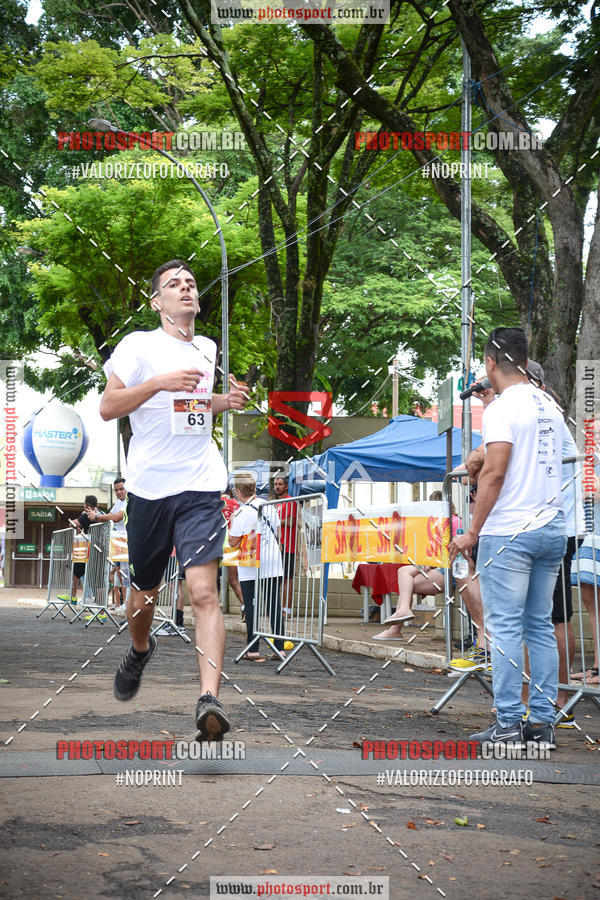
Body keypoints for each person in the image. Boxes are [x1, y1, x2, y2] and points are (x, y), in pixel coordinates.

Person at [100, 258, 248, 742]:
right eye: (173, 284)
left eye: (190, 283)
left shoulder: (207, 348)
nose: (185, 289)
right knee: (144, 595)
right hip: (149, 487)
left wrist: (224, 401)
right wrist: (158, 382)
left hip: (201, 484)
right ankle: (140, 650)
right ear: (156, 301)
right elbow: (108, 407)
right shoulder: (137, 346)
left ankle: (209, 700)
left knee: (204, 592)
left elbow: (193, 409)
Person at [449, 327, 566, 749]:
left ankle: (508, 725)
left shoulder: (501, 408)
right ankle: (542, 725)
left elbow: (494, 473)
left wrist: (471, 531)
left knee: (503, 628)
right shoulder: (548, 403)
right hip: (551, 524)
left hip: (511, 529)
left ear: (490, 364)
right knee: (539, 626)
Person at [372, 493, 459, 641]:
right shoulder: (440, 523)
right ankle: (399, 620)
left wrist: (430, 562)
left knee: (405, 579)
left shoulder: (452, 522)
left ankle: (396, 627)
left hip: (449, 571)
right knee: (405, 579)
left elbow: (450, 551)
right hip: (440, 567)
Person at [229, 472, 285, 660]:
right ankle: (279, 648)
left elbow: (233, 541)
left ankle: (253, 649)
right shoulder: (268, 506)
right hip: (273, 559)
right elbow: (277, 529)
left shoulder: (241, 512)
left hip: (251, 562)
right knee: (273, 604)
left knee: (251, 603)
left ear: (238, 491)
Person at [89, 478, 129, 611]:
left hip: (129, 542)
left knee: (126, 574)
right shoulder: (119, 501)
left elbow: (117, 517)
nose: (119, 492)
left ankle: (128, 603)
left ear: (127, 488)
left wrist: (97, 517)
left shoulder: (129, 500)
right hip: (119, 543)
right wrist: (99, 517)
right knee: (120, 574)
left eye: (121, 489)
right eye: (116, 490)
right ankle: (125, 603)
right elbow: (111, 515)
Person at [273, 473, 297, 618]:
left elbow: (290, 522)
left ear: (286, 486)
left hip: (287, 546)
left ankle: (287, 610)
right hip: (276, 546)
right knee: (277, 578)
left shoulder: (290, 501)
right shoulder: (275, 503)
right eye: (275, 484)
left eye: (280, 484)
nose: (277, 487)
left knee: (287, 578)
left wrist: (274, 521)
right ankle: (279, 608)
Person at [70, 494, 101, 602]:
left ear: (86, 505)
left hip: (89, 551)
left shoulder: (87, 515)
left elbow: (72, 523)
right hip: (100, 550)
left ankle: (74, 597)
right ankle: (89, 598)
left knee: (76, 570)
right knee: (91, 575)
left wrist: (78, 526)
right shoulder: (101, 514)